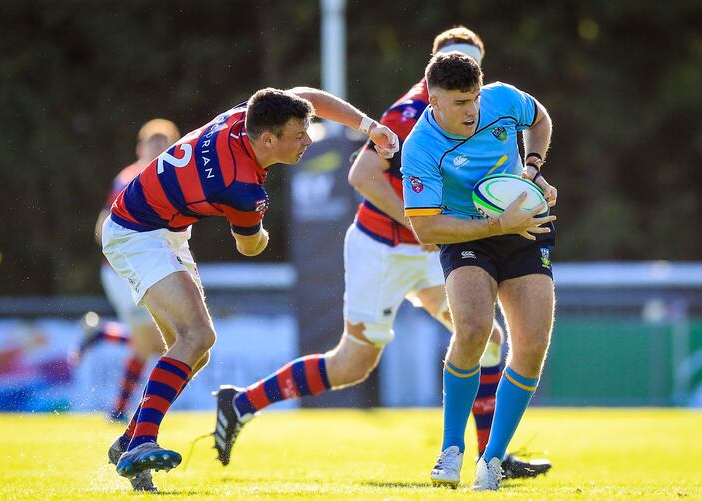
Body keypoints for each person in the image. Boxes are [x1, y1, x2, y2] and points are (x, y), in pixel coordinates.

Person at [210, 26, 550, 480]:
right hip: (384, 248)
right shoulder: (413, 113)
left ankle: (492, 456)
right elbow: (362, 174)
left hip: (444, 242)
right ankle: (241, 403)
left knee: (484, 337)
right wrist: (418, 225)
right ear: (435, 70)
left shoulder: (482, 103)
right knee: (352, 364)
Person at [101, 88, 398, 490]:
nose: (308, 141)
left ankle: (129, 440)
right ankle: (143, 442)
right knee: (199, 335)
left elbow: (307, 96)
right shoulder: (242, 188)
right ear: (269, 140)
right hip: (138, 231)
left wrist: (369, 127)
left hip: (162, 228)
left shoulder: (253, 112)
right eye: (299, 135)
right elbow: (250, 245)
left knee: (195, 350)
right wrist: (262, 229)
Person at [401, 52, 557, 491]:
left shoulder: (503, 99)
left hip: (523, 225)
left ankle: (492, 461)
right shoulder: (420, 147)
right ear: (433, 100)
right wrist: (494, 224)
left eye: (473, 98)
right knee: (472, 329)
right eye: (458, 103)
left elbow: (540, 119)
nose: (471, 110)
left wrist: (531, 169)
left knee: (533, 341)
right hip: (465, 235)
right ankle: (451, 449)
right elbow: (426, 226)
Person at [71, 123, 179, 431]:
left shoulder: (171, 180)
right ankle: (124, 413)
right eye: (153, 142)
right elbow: (102, 228)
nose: (159, 147)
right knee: (157, 344)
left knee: (158, 343)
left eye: (165, 141)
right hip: (123, 274)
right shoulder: (129, 179)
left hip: (145, 272)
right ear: (139, 149)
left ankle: (104, 337)